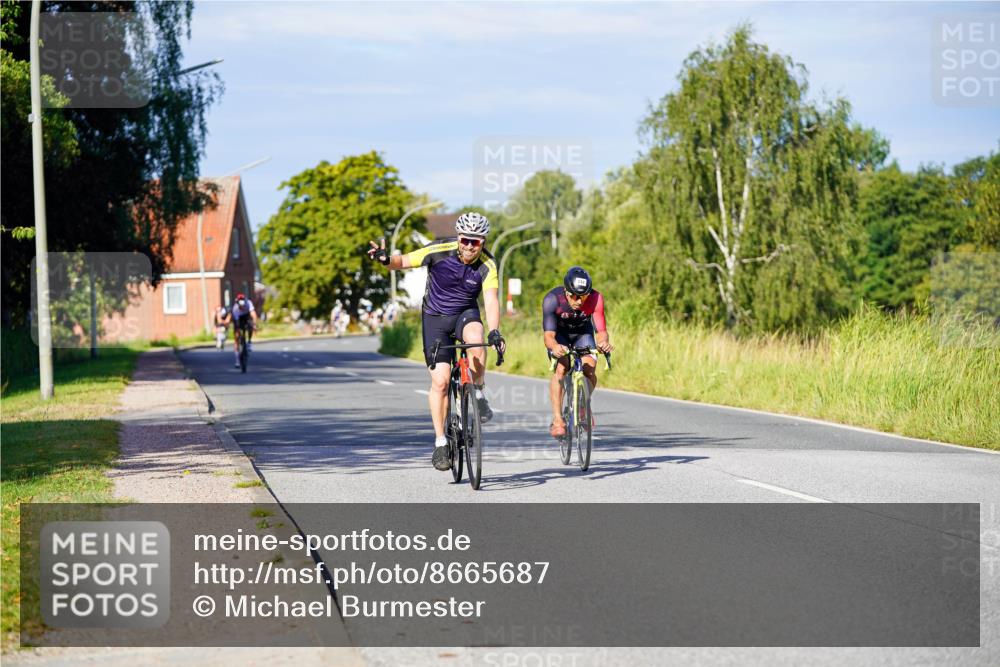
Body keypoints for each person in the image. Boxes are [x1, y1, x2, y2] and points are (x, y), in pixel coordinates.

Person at [366, 211, 506, 471]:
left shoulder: (488, 264)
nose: (469, 247)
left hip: (466, 313)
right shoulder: (439, 249)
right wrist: (385, 260)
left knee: (476, 339)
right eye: (465, 240)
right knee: (440, 381)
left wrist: (495, 330)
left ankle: (477, 390)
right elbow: (403, 261)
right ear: (458, 237)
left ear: (483, 242)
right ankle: (441, 442)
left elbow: (491, 299)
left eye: (475, 242)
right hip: (435, 318)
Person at [542, 266, 614, 438]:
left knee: (589, 369)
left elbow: (601, 330)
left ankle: (582, 403)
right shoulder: (553, 299)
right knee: (561, 369)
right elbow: (548, 336)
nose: (579, 301)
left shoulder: (596, 298)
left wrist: (603, 342)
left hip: (583, 334)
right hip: (560, 336)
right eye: (574, 296)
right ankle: (558, 419)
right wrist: (555, 347)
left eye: (583, 296)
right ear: (566, 292)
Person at [231, 293, 258, 368]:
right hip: (238, 318)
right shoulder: (235, 308)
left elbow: (253, 314)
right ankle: (237, 361)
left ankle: (249, 341)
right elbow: (236, 323)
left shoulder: (249, 303)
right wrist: (238, 330)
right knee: (236, 337)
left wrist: (255, 324)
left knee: (250, 325)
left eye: (243, 305)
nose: (242, 307)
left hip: (246, 316)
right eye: (240, 306)